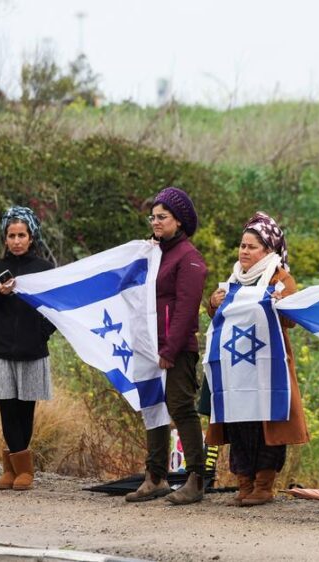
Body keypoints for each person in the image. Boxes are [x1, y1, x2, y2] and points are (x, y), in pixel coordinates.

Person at [205, 212, 308, 506]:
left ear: (268, 250)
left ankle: (264, 485)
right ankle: (244, 483)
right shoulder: (234, 278)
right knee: (239, 422)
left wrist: (280, 303)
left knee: (268, 423)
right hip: (237, 368)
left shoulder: (279, 277)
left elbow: (291, 319)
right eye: (242, 245)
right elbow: (218, 314)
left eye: (251, 247)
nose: (244, 251)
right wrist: (213, 303)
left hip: (268, 366)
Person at [125, 187, 208, 505]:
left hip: (175, 350)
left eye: (163, 217)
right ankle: (155, 477)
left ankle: (196, 479)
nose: (156, 222)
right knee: (152, 408)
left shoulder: (189, 258)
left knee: (181, 409)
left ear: (180, 221)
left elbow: (187, 309)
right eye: (153, 217)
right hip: (148, 347)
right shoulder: (153, 254)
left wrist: (170, 350)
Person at [0, 206, 55, 492]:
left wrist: (42, 333)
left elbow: (55, 310)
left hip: (33, 350)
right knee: (6, 408)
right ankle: (17, 469)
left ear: (32, 237)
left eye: (22, 235)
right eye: (12, 235)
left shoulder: (44, 268)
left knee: (25, 409)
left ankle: (18, 468)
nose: (17, 240)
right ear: (4, 238)